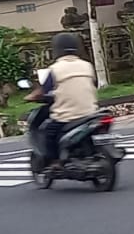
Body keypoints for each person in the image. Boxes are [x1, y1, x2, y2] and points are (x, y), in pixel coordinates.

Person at [26, 32, 98, 166]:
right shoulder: (87, 65)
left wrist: (30, 97)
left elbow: (43, 91)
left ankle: (55, 162)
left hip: (68, 116)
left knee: (48, 133)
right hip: (91, 113)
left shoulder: (54, 69)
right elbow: (94, 84)